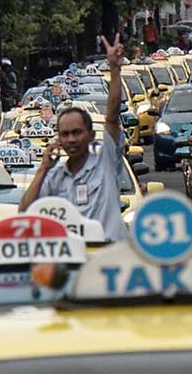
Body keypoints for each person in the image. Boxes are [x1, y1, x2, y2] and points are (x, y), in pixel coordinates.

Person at [19, 34, 128, 242]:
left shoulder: (105, 161)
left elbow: (112, 117)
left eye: (77, 132)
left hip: (109, 259)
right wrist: (43, 169)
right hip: (74, 263)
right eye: (65, 134)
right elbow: (24, 213)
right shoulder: (55, 176)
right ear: (59, 139)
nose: (71, 140)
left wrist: (115, 69)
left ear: (91, 135)